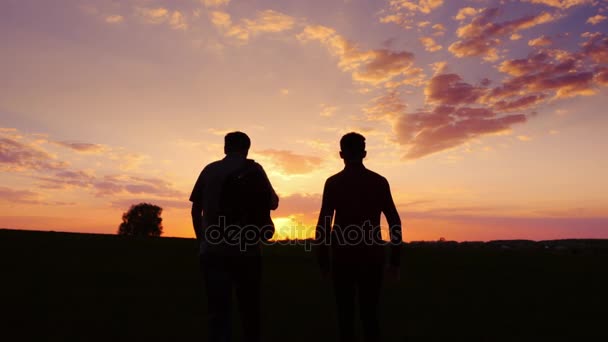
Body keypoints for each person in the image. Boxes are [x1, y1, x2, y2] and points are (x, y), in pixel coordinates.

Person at [190, 131, 279, 342]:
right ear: (247, 148)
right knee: (249, 311)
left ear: (225, 148)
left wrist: (202, 241)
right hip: (248, 251)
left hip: (213, 250)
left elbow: (195, 210)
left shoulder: (209, 170)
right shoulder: (255, 169)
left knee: (218, 312)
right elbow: (273, 203)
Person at [316, 132, 402, 342]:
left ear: (341, 154)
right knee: (370, 315)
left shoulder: (333, 183)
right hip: (372, 257)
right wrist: (395, 260)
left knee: (345, 317)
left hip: (342, 258)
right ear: (364, 153)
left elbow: (324, 224)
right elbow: (394, 222)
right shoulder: (379, 182)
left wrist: (323, 262)